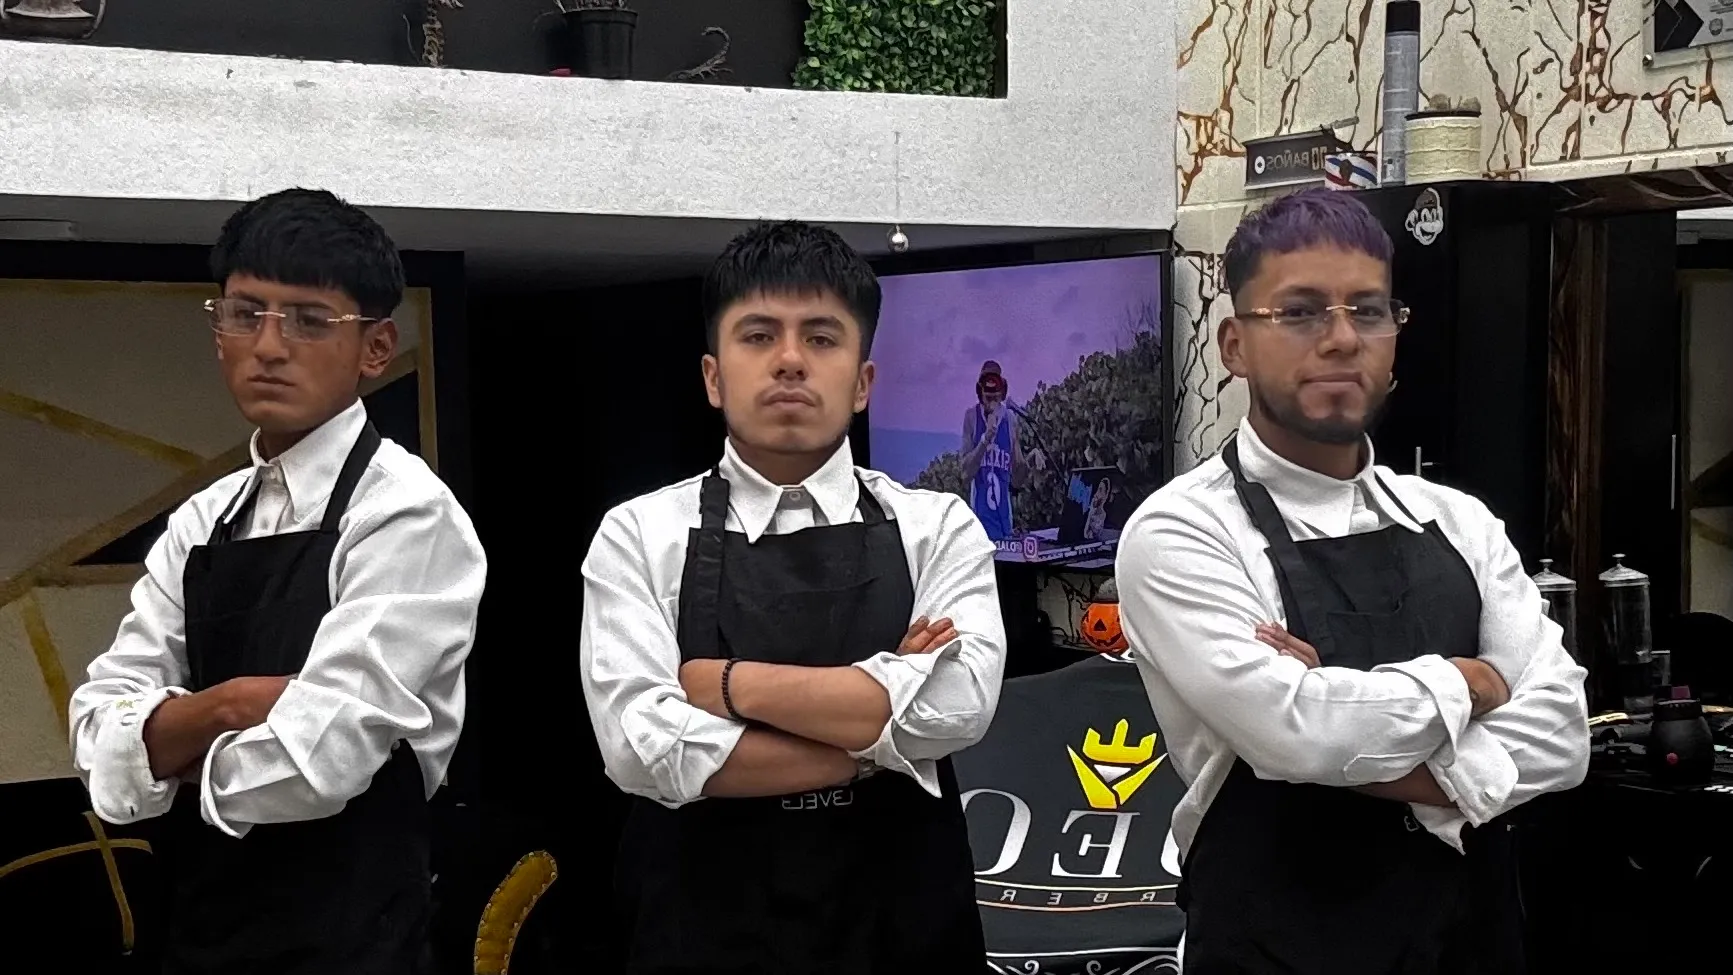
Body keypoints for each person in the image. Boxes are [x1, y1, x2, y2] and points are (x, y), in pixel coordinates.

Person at [1113, 188, 1589, 974]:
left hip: (1471, 942)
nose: (1340, 339)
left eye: (1367, 311)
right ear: (1233, 344)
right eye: (1300, 312)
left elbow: (1564, 737)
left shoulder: (1459, 520)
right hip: (1274, 947)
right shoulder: (1181, 532)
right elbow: (1296, 730)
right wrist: (1467, 683)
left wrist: (1338, 726)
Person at [68, 188, 487, 975]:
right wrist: (232, 705)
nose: (268, 345)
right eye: (245, 313)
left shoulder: (405, 512)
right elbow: (96, 734)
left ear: (375, 346)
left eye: (308, 320)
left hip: (353, 943)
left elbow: (319, 762)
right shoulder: (203, 518)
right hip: (196, 934)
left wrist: (167, 746)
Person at [580, 220, 1006, 974]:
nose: (788, 359)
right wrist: (876, 739)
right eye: (757, 335)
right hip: (702, 937)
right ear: (713, 377)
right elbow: (643, 749)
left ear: (863, 381)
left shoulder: (937, 526)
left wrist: (722, 685)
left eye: (820, 337)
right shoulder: (639, 534)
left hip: (903, 931)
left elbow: (957, 706)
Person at [960, 360, 1030, 540]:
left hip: (1005, 527)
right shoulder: (972, 417)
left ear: (1002, 392)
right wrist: (985, 440)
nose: (991, 398)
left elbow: (1017, 481)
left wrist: (1027, 462)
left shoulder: (1010, 419)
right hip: (980, 530)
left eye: (995, 394)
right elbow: (965, 474)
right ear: (980, 392)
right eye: (987, 394)